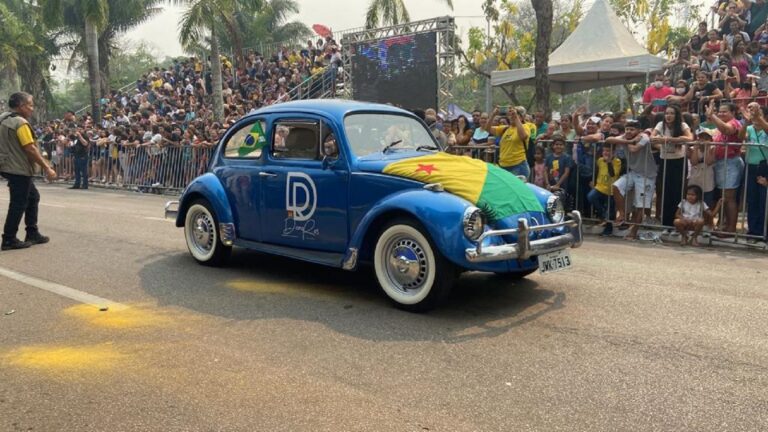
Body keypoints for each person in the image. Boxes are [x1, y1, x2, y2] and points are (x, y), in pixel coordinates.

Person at [0, 92, 57, 250]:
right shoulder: (20, 123)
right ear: (20, 106)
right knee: (18, 203)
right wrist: (47, 167)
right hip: (18, 168)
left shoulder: (3, 119)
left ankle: (32, 232)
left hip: (7, 165)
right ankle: (9, 238)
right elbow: (30, 148)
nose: (32, 109)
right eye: (30, 105)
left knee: (33, 197)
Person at [606, 120, 658, 240]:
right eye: (627, 129)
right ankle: (622, 214)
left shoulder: (644, 136)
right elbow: (608, 140)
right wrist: (627, 140)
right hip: (633, 172)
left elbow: (634, 149)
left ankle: (633, 232)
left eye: (632, 129)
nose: (629, 131)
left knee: (641, 205)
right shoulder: (626, 137)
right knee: (616, 186)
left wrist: (626, 142)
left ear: (638, 131)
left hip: (647, 175)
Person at [651, 105, 694, 229]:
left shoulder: (682, 125)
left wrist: (668, 139)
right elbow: (652, 138)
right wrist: (664, 144)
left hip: (679, 161)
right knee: (665, 192)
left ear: (676, 115)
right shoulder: (660, 124)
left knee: (678, 192)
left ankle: (677, 223)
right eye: (667, 113)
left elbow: (689, 138)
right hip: (665, 160)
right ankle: (666, 223)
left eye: (671, 113)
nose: (668, 116)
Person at [706, 101, 745, 234]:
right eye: (719, 111)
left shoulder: (734, 123)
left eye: (724, 111)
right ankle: (723, 225)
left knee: (729, 198)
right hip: (720, 163)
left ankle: (731, 228)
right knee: (723, 197)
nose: (721, 113)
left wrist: (713, 116)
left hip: (730, 163)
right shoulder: (719, 124)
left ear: (733, 113)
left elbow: (727, 130)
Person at [588, 145, 622, 236]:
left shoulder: (617, 161)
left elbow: (612, 174)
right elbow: (597, 171)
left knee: (611, 210)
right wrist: (593, 181)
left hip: (611, 189)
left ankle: (608, 229)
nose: (606, 153)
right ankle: (603, 215)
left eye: (608, 151)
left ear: (613, 152)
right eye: (604, 151)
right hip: (600, 187)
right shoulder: (600, 160)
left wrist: (609, 162)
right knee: (591, 197)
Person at [489, 106, 533, 179]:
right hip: (503, 166)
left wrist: (516, 118)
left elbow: (523, 136)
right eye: (510, 114)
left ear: (522, 117)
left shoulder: (525, 126)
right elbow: (488, 129)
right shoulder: (505, 128)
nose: (511, 116)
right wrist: (493, 115)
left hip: (518, 166)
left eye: (514, 114)